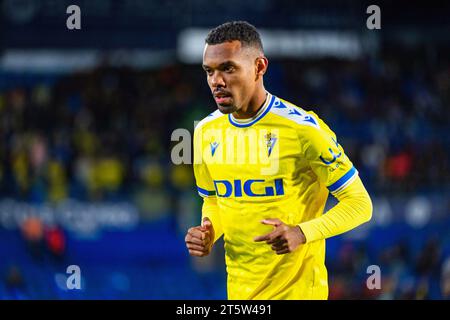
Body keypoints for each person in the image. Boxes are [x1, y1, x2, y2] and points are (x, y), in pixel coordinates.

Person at [185, 21, 372, 300]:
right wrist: (209, 231)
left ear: (260, 67)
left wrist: (302, 232)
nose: (216, 81)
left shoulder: (304, 130)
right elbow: (214, 200)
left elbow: (360, 205)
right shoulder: (204, 133)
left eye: (228, 68)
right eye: (209, 71)